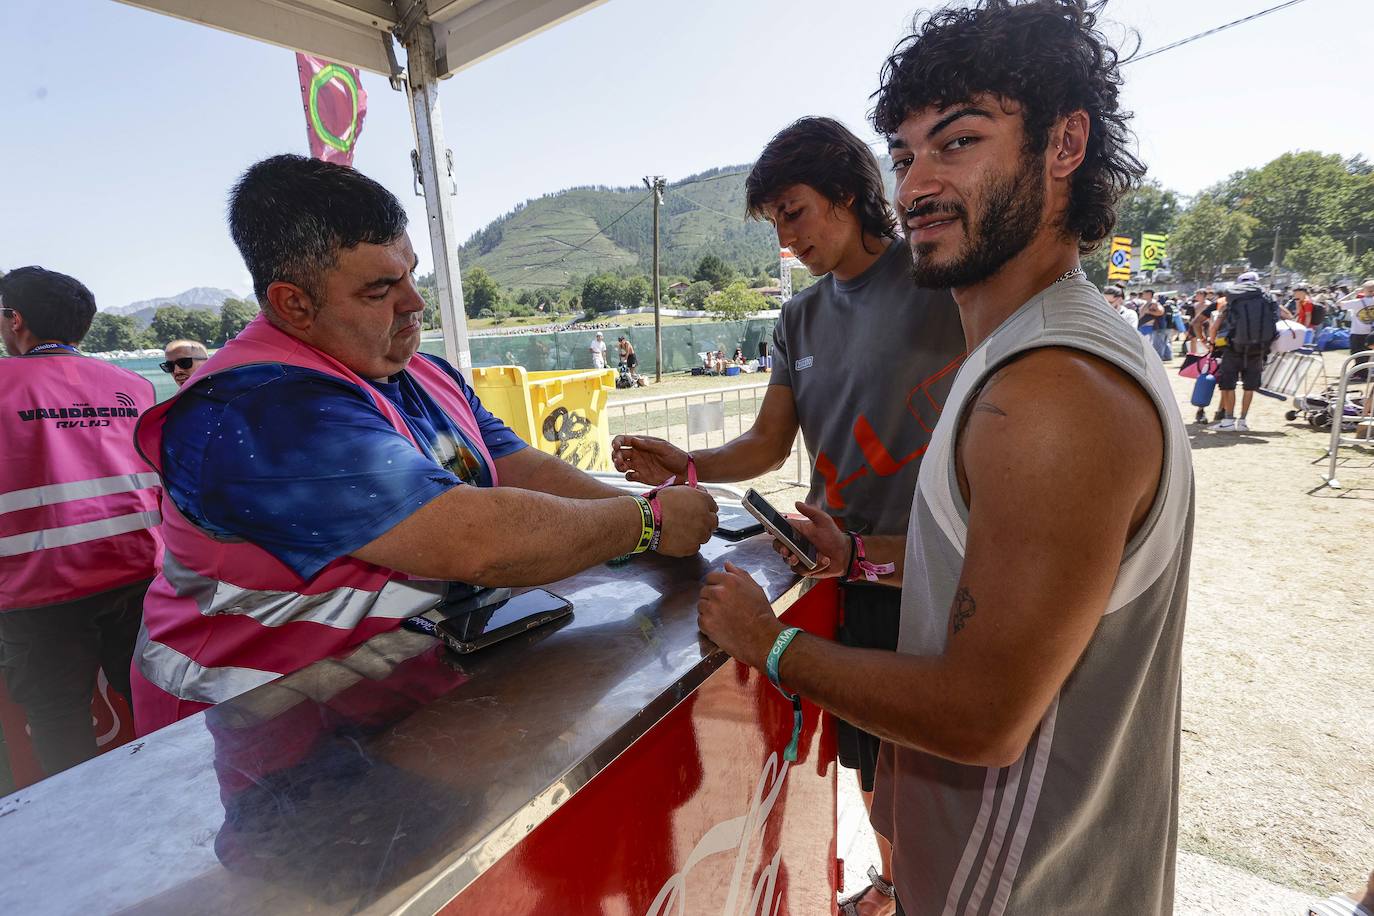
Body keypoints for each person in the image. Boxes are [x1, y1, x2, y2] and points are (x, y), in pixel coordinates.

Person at [695, 3, 1193, 913]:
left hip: (1022, 883)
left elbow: (981, 716)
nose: (917, 182)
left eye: (958, 141)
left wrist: (771, 646)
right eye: (903, 152)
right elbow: (987, 567)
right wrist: (861, 558)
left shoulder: (1048, 393)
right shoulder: (1028, 353)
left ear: (1064, 143)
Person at [130, 156, 718, 734]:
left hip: (390, 695)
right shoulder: (254, 412)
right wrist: (645, 522)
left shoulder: (421, 372)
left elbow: (521, 469)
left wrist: (652, 531)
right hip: (260, 717)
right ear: (294, 304)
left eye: (411, 272)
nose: (414, 302)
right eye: (380, 288)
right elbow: (473, 539)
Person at [614, 115, 965, 916]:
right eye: (776, 224)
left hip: (932, 568)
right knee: (870, 765)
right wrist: (691, 466)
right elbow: (770, 443)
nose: (788, 239)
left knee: (943, 769)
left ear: (849, 193)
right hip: (837, 571)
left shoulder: (939, 279)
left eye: (796, 213)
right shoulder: (799, 319)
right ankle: (896, 887)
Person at [0, 267, 161, 778]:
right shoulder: (133, 386)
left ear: (15, 318)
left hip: (37, 585)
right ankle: (171, 798)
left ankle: (79, 838)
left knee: (56, 715)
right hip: (139, 570)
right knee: (146, 693)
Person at [1208, 271, 1281, 432]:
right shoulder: (1267, 299)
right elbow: (1281, 320)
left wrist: (1212, 343)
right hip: (1258, 350)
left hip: (1233, 348)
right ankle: (1243, 421)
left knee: (1228, 386)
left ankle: (1228, 420)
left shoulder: (1233, 300)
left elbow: (1215, 326)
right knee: (1249, 387)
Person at [1137, 288, 1171, 361]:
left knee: (1151, 345)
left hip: (1150, 327)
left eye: (1144, 293)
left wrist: (1149, 312)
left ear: (1149, 294)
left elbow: (1161, 312)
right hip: (1144, 326)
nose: (1142, 295)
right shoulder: (1147, 303)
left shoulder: (1154, 303)